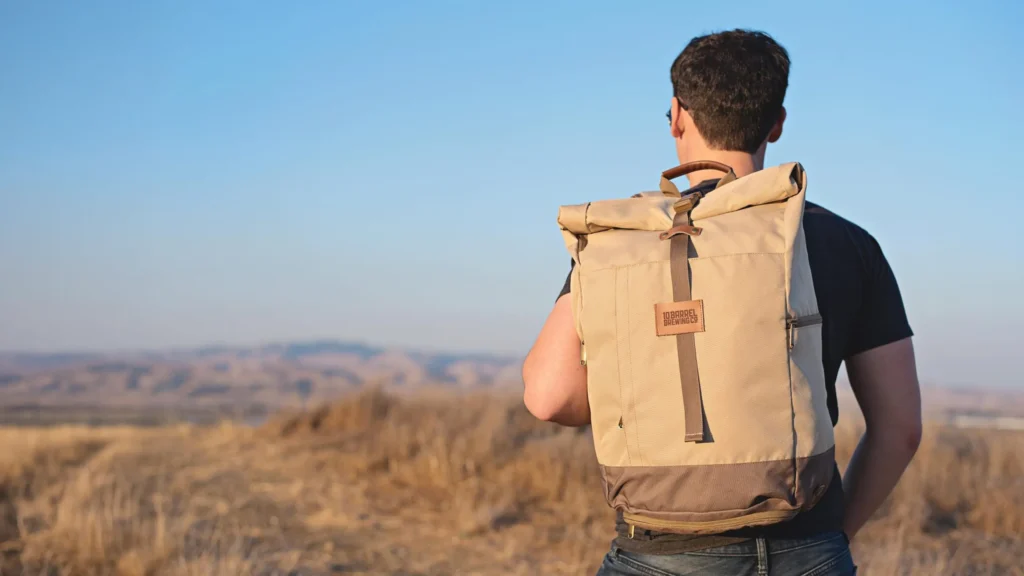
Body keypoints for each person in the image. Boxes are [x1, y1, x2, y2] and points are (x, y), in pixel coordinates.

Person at [522, 29, 921, 576]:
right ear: (776, 123)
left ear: (676, 117)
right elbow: (901, 428)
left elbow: (549, 397)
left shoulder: (624, 244)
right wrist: (832, 536)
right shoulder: (847, 244)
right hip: (809, 546)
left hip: (661, 552)